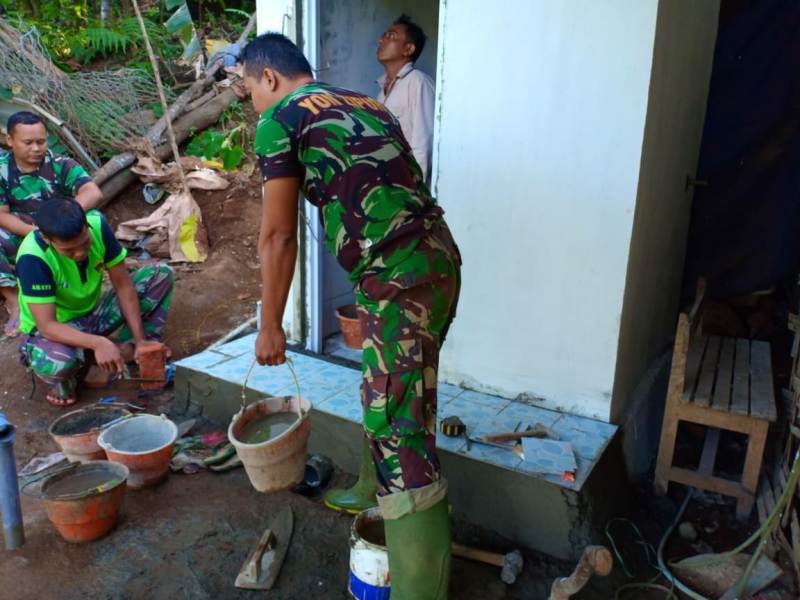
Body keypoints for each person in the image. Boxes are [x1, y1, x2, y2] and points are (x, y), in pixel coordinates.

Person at [243, 33, 461, 599]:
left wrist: (272, 324)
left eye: (248, 91)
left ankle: (420, 593)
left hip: (400, 280)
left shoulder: (282, 117)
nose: (251, 105)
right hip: (435, 260)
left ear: (269, 78)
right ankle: (372, 487)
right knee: (389, 393)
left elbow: (277, 236)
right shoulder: (365, 103)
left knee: (403, 435)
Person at [15, 198, 174, 407]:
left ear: (86, 225)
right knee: (57, 363)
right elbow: (47, 326)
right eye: (69, 251)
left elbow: (124, 286)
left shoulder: (98, 226)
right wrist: (98, 342)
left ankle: (135, 349)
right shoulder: (32, 257)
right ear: (46, 238)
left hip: (92, 316)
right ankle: (83, 364)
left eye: (84, 243)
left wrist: (140, 339)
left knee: (159, 274)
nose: (80, 253)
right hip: (55, 330)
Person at [0, 111, 103, 337]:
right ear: (10, 141)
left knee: (95, 217)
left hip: (61, 232)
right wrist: (34, 232)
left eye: (41, 141)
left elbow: (92, 192)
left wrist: (65, 218)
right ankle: (14, 299)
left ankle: (87, 279)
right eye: (28, 142)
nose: (36, 148)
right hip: (23, 231)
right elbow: (2, 214)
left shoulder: (59, 164)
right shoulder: (1, 169)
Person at [377, 14, 435, 182]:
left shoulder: (418, 82)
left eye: (391, 36)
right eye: (383, 36)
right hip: (387, 184)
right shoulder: (382, 90)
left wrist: (416, 193)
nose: (382, 41)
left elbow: (423, 144)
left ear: (408, 49)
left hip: (408, 188)